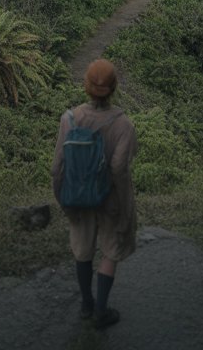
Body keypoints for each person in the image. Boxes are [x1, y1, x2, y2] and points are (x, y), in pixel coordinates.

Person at [51, 58, 137, 330]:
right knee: (111, 251)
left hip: (77, 196)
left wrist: (62, 200)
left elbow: (57, 168)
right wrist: (126, 210)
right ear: (114, 88)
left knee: (82, 249)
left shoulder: (69, 119)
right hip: (110, 199)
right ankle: (102, 310)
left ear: (86, 87)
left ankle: (86, 305)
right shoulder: (124, 125)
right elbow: (119, 169)